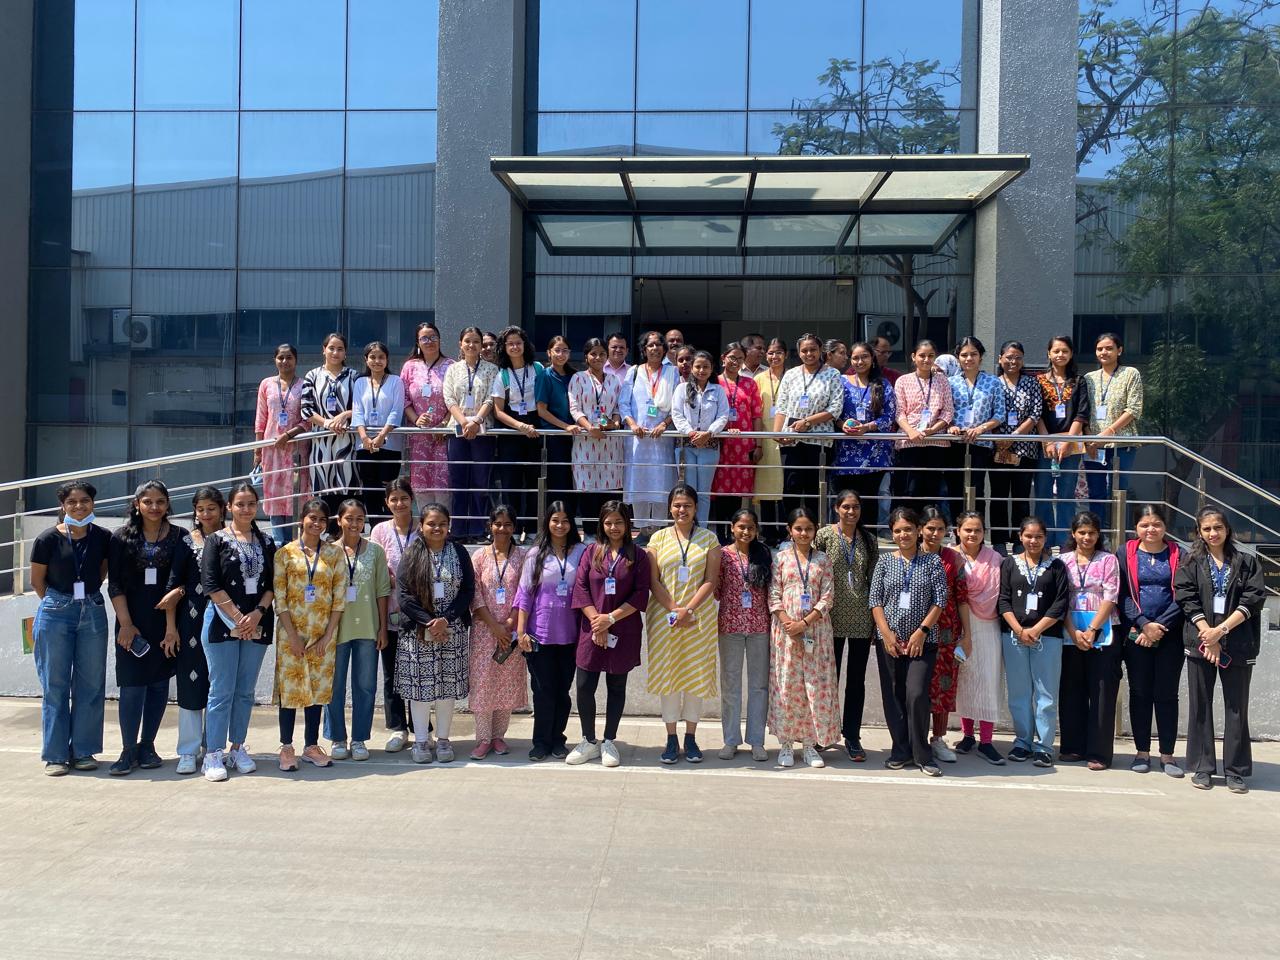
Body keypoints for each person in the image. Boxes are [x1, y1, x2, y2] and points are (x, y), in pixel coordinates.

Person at [1175, 507, 1266, 794]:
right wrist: (1208, 635)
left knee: (1236, 707)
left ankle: (1235, 771)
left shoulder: (1247, 562)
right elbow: (1186, 598)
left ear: (1227, 529)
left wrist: (1220, 631)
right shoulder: (1190, 561)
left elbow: (1253, 600)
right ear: (1199, 532)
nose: (1213, 533)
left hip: (1238, 643)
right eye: (1207, 529)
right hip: (1200, 641)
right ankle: (1203, 767)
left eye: (1218, 527)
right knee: (1200, 705)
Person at [30, 480, 110, 776]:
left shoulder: (102, 537)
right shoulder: (47, 538)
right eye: (72, 502)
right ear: (62, 506)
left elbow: (101, 572)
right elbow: (37, 581)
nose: (79, 506)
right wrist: (60, 604)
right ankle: (56, 755)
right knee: (56, 685)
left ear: (93, 503)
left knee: (91, 684)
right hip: (56, 611)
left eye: (85, 500)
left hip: (92, 610)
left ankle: (84, 751)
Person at [199, 482, 277, 782]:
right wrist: (237, 618)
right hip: (222, 623)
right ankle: (213, 753)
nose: (246, 509)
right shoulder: (216, 540)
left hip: (257, 624)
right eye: (240, 504)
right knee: (221, 691)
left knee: (245, 691)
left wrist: (256, 615)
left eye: (251, 504)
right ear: (229, 507)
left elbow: (273, 585)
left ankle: (238, 747)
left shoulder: (267, 542)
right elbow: (210, 584)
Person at [106, 480, 184, 776]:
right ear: (137, 504)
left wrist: (171, 628)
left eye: (160, 501)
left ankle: (148, 745)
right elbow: (115, 584)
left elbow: (179, 581)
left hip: (165, 622)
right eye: (148, 501)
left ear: (168, 504)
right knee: (132, 686)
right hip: (132, 622)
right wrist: (126, 624)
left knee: (159, 684)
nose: (154, 507)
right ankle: (128, 750)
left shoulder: (179, 536)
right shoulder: (121, 537)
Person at [567, 500, 651, 767]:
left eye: (619, 522)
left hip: (623, 629)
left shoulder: (638, 555)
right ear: (601, 524)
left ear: (627, 524)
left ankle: (609, 741)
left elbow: (641, 594)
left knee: (616, 686)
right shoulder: (591, 551)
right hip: (591, 629)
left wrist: (610, 618)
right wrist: (597, 622)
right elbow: (581, 588)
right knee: (584, 686)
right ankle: (588, 740)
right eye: (608, 522)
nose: (614, 527)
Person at [645, 483, 722, 764]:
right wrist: (674, 610)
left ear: (696, 508)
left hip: (698, 618)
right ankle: (670, 738)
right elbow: (653, 580)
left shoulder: (709, 539)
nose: (682, 510)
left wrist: (688, 609)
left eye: (687, 505)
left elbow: (711, 580)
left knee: (694, 675)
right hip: (664, 618)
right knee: (669, 677)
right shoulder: (657, 539)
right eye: (677, 505)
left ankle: (690, 736)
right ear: (670, 508)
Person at [869, 507, 948, 776]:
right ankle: (900, 750)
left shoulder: (932, 562)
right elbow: (875, 601)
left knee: (916, 694)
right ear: (892, 534)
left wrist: (921, 632)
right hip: (890, 642)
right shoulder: (884, 562)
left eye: (908, 529)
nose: (903, 534)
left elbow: (940, 600)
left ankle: (922, 754)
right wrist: (886, 634)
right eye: (898, 530)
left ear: (918, 531)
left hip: (922, 642)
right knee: (894, 697)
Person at [396, 501, 476, 765]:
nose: (437, 528)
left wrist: (446, 620)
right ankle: (420, 741)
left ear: (449, 526)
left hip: (452, 631)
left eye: (442, 523)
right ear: (421, 526)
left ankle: (443, 739)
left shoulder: (459, 552)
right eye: (431, 523)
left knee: (446, 687)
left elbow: (467, 590)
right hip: (418, 633)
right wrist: (430, 622)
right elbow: (404, 595)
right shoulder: (412, 553)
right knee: (420, 688)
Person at [272, 498, 345, 771]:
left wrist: (328, 636)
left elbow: (339, 598)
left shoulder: (334, 554)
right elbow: (280, 598)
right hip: (291, 634)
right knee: (290, 690)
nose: (317, 523)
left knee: (317, 691)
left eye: (322, 519)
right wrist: (292, 636)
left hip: (323, 634)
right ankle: (286, 747)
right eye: (312, 517)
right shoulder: (285, 554)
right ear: (302, 518)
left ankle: (311, 746)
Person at [767, 506, 839, 769]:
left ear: (815, 530)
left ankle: (809, 744)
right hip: (785, 634)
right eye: (798, 528)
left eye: (809, 528)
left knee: (814, 687)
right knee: (787, 685)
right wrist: (789, 623)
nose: (804, 533)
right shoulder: (780, 558)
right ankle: (786, 743)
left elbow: (828, 597)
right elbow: (773, 594)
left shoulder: (823, 560)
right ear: (790, 530)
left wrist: (804, 623)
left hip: (816, 633)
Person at [1116, 504, 1185, 776]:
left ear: (1165, 526)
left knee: (1167, 694)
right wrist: (1144, 624)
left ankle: (1167, 755)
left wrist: (1160, 626)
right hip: (1137, 635)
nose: (1150, 529)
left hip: (1170, 635)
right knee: (1140, 692)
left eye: (1156, 524)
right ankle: (1141, 752)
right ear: (1136, 527)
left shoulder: (1179, 554)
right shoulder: (1125, 553)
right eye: (1144, 524)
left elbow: (1184, 594)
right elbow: (1121, 594)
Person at [516, 501, 586, 761]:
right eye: (555, 520)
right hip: (539, 635)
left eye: (565, 520)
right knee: (543, 690)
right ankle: (541, 742)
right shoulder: (535, 554)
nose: (560, 525)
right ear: (547, 522)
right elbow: (525, 593)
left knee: (562, 691)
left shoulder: (581, 552)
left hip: (570, 634)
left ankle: (558, 739)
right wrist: (521, 632)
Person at [998, 516, 1070, 767]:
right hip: (1014, 637)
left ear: (1045, 538)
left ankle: (1044, 746)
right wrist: (1019, 630)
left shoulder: (1057, 566)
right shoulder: (1009, 563)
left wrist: (1036, 629)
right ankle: (1022, 742)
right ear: (1020, 536)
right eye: (1028, 536)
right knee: (1019, 693)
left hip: (1047, 637)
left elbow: (1061, 603)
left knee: (1046, 695)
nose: (1033, 540)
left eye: (1038, 536)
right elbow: (1003, 600)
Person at [161, 486, 224, 775]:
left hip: (225, 620)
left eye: (211, 508)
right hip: (191, 622)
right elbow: (173, 586)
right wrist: (171, 628)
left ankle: (214, 747)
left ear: (222, 509)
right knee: (190, 681)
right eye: (201, 509)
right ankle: (188, 750)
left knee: (219, 684)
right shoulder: (186, 542)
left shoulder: (232, 539)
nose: (206, 514)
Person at [813, 489, 878, 762]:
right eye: (846, 507)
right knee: (829, 679)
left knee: (856, 681)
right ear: (836, 508)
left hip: (861, 618)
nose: (851, 512)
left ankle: (852, 735)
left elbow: (874, 580)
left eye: (856, 507)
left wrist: (876, 620)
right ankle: (824, 733)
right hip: (830, 618)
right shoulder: (824, 536)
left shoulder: (869, 539)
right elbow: (813, 573)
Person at [325, 500, 391, 763]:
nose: (355, 524)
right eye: (349, 518)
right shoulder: (329, 551)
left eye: (359, 519)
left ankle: (359, 738)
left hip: (367, 628)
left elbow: (382, 591)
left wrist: (382, 628)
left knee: (365, 686)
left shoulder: (375, 551)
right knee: (334, 686)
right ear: (339, 520)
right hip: (336, 629)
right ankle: (337, 738)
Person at [1056, 510, 1122, 770]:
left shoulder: (1108, 560)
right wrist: (1074, 632)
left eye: (1091, 533)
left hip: (1102, 633)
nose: (1086, 537)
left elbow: (1111, 596)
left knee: (1102, 692)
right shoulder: (1062, 561)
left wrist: (1093, 629)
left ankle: (1099, 752)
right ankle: (1072, 747)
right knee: (1071, 690)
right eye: (1082, 532)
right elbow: (1059, 599)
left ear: (1098, 534)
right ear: (1073, 534)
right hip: (1070, 633)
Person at [467, 504, 529, 760]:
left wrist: (511, 622)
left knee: (505, 681)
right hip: (484, 630)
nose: (502, 529)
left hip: (511, 632)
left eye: (507, 524)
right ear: (490, 526)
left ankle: (498, 736)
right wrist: (494, 625)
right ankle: (483, 738)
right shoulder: (479, 557)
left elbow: (525, 591)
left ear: (515, 528)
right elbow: (474, 593)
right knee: (483, 682)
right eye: (498, 524)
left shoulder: (523, 556)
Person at [716, 508, 772, 762]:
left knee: (759, 686)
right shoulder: (723, 555)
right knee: (730, 685)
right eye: (741, 527)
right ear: (732, 528)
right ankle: (730, 740)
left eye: (750, 527)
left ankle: (757, 741)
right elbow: (716, 589)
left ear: (756, 530)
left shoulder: (764, 553)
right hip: (730, 626)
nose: (746, 531)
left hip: (760, 626)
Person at [951, 512, 1007, 764]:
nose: (972, 534)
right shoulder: (950, 556)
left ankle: (986, 741)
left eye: (978, 530)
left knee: (987, 681)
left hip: (988, 624)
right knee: (964, 679)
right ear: (958, 531)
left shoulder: (996, 559)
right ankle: (967, 735)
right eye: (968, 529)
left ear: (984, 532)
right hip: (957, 625)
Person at [919, 507, 970, 766]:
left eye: (940, 529)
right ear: (920, 529)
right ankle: (914, 738)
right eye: (930, 528)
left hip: (947, 632)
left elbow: (962, 598)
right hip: (916, 632)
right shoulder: (911, 553)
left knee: (942, 687)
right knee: (917, 686)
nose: (935, 533)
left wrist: (967, 635)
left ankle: (938, 738)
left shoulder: (953, 558)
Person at [773, 333, 844, 520]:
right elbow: (782, 407)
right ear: (798, 352)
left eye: (813, 349)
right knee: (791, 487)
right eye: (804, 350)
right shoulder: (791, 374)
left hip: (818, 441)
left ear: (821, 351)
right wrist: (776, 433)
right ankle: (791, 531)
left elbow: (835, 408)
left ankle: (815, 531)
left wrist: (808, 422)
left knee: (814, 490)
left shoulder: (832, 374)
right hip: (791, 440)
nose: (809, 354)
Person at [369, 478, 416, 752]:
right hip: (388, 612)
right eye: (394, 499)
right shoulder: (379, 531)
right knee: (392, 673)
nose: (399, 503)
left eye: (404, 498)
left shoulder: (422, 528)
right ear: (387, 502)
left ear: (412, 499)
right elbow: (376, 569)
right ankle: (398, 727)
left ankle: (421, 726)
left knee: (418, 670)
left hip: (417, 613)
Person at [443, 326, 500, 542]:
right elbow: (449, 398)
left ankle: (477, 530)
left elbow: (491, 398)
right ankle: (458, 529)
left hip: (482, 431)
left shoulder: (491, 369)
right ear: (460, 344)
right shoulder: (452, 369)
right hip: (457, 430)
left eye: (476, 341)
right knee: (458, 480)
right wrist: (464, 421)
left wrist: (476, 421)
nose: (472, 345)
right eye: (467, 341)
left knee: (480, 481)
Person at [619, 331, 679, 532]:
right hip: (638, 438)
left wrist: (665, 424)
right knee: (639, 482)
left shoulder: (672, 372)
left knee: (662, 482)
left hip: (662, 438)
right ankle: (643, 529)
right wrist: (632, 424)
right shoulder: (634, 371)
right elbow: (623, 403)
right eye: (650, 345)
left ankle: (660, 529)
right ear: (644, 349)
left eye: (658, 344)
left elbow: (678, 406)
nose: (655, 348)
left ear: (664, 349)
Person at [1084, 332, 1144, 529]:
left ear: (1119, 350)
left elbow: (1134, 408)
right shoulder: (1089, 378)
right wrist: (1089, 440)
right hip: (1094, 445)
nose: (1104, 352)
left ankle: (1117, 535)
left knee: (1118, 491)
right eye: (1100, 349)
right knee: (1096, 492)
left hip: (1122, 444)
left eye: (1109, 348)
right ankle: (1096, 536)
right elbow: (1082, 411)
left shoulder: (1130, 373)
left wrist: (1108, 432)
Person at [1035, 336, 1090, 547]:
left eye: (1065, 351)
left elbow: (1082, 413)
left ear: (1071, 354)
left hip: (1071, 444)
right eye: (1056, 351)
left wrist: (1068, 441)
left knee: (1067, 493)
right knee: (1043, 492)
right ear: (1048, 354)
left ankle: (1066, 541)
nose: (1060, 355)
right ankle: (1044, 541)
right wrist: (1046, 441)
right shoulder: (1039, 381)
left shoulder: (1079, 381)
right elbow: (1037, 414)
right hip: (1045, 444)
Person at [945, 337, 1005, 524]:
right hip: (955, 443)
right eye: (964, 355)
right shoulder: (950, 382)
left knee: (977, 489)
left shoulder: (993, 382)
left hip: (981, 443)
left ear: (981, 357)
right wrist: (950, 425)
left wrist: (981, 428)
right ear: (958, 358)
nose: (969, 358)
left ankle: (977, 532)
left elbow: (1000, 414)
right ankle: (957, 532)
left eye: (973, 354)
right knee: (955, 489)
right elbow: (944, 410)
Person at [254, 343, 309, 545]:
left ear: (296, 360)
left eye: (289, 357)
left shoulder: (305, 385)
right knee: (274, 494)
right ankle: (278, 543)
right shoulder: (266, 384)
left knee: (296, 494)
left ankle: (295, 542)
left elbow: (308, 419)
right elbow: (261, 418)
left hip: (297, 449)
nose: (285, 361)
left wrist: (289, 434)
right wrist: (257, 451)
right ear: (275, 360)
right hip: (272, 450)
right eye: (281, 358)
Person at [491, 325, 543, 538]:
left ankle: (531, 529)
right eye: (510, 344)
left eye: (518, 343)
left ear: (525, 345)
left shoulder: (537, 368)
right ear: (504, 347)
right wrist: (520, 426)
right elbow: (498, 411)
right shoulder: (501, 374)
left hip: (534, 427)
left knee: (533, 480)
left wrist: (529, 426)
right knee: (510, 482)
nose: (515, 347)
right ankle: (510, 529)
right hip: (511, 431)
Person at [989, 341, 1042, 553]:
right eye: (1009, 357)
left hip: (1025, 448)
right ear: (1000, 359)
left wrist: (1015, 435)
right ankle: (999, 540)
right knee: (999, 496)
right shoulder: (993, 383)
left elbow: (1035, 413)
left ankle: (1021, 540)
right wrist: (999, 439)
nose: (1013, 361)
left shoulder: (1031, 383)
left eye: (1018, 357)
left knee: (1021, 497)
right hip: (998, 449)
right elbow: (987, 413)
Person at [833, 340, 898, 511]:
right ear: (850, 360)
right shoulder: (841, 382)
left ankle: (868, 531)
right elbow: (832, 411)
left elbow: (889, 417)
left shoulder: (883, 384)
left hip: (874, 455)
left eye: (864, 357)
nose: (860, 361)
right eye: (855, 358)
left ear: (872, 358)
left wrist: (867, 427)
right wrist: (842, 424)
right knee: (846, 505)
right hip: (845, 454)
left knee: (869, 507)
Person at [568, 338, 624, 534]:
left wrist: (614, 423)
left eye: (602, 354)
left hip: (610, 443)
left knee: (610, 492)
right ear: (586, 357)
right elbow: (574, 408)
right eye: (593, 354)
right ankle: (591, 534)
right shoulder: (577, 378)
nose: (598, 357)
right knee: (588, 488)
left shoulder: (614, 380)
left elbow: (618, 407)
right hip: (586, 441)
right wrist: (589, 427)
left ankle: (609, 534)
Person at [892, 339, 954, 514]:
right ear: (913, 357)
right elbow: (899, 412)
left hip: (936, 442)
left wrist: (933, 430)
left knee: (931, 491)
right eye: (922, 355)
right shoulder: (903, 381)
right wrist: (911, 431)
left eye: (930, 356)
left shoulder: (942, 381)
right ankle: (909, 527)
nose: (926, 360)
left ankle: (927, 527)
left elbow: (948, 411)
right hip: (909, 442)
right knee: (909, 490)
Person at [300, 332, 357, 522]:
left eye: (340, 349)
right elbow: (306, 410)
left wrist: (345, 415)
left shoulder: (354, 376)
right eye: (331, 348)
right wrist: (327, 423)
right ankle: (327, 533)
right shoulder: (312, 376)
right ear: (323, 350)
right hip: (321, 443)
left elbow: (361, 408)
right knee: (323, 493)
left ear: (345, 353)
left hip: (346, 441)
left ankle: (344, 533)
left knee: (346, 492)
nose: (335, 352)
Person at [400, 321, 454, 512]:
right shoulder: (410, 367)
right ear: (417, 342)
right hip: (419, 436)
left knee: (443, 481)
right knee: (421, 483)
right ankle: (426, 523)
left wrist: (445, 424)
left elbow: (457, 399)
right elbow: (403, 398)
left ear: (439, 339)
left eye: (433, 337)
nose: (429, 341)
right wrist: (416, 419)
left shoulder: (451, 366)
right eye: (424, 338)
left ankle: (444, 523)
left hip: (443, 436)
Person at [712, 342, 764, 539]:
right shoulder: (715, 381)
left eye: (740, 358)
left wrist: (758, 444)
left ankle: (735, 534)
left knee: (738, 490)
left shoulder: (750, 384)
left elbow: (756, 415)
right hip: (721, 442)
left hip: (743, 444)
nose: (735, 362)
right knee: (720, 489)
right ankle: (720, 534)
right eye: (732, 357)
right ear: (723, 358)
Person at [671, 349, 729, 526]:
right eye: (698, 366)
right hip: (686, 445)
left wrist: (709, 433)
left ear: (712, 369)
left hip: (709, 447)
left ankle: (701, 529)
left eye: (706, 367)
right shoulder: (682, 389)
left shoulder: (718, 390)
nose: (701, 370)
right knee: (688, 491)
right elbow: (676, 414)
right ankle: (687, 527)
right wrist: (691, 432)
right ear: (691, 367)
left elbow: (723, 416)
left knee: (703, 492)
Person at [352, 340, 406, 525]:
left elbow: (396, 411)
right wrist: (364, 437)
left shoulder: (396, 381)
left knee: (388, 488)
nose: (377, 361)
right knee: (369, 488)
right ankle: (376, 528)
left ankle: (391, 526)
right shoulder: (360, 382)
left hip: (390, 443)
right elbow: (357, 411)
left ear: (387, 359)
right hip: (365, 444)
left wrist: (382, 435)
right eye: (372, 357)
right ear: (366, 360)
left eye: (381, 357)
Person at [534, 335, 579, 522]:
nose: (561, 354)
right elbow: (542, 410)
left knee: (573, 481)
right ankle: (557, 522)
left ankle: (571, 522)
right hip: (555, 437)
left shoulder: (574, 375)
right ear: (549, 353)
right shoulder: (545, 376)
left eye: (565, 350)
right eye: (557, 350)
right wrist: (565, 426)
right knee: (558, 483)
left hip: (575, 436)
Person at [753, 337, 788, 540]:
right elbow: (756, 411)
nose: (775, 356)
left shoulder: (792, 376)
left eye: (779, 352)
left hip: (787, 436)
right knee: (766, 487)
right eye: (771, 353)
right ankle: (768, 533)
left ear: (786, 355)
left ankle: (785, 533)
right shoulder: (759, 378)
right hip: (766, 437)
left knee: (785, 486)